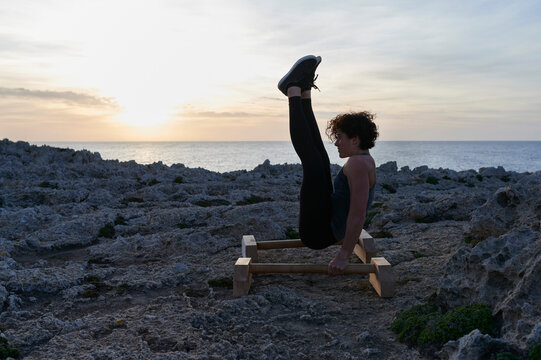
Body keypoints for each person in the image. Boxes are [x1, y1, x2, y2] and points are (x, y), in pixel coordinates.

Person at [277, 55, 379, 276]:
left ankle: (293, 90)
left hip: (318, 233)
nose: (336, 142)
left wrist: (344, 255)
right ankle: (303, 91)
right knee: (320, 160)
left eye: (340, 137)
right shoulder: (360, 160)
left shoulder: (359, 165)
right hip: (325, 220)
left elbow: (358, 215)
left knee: (313, 163)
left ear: (356, 139)